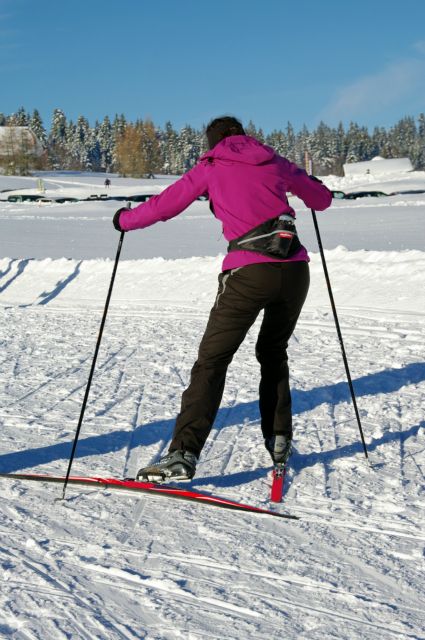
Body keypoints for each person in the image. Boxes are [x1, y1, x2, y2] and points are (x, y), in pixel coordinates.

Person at [112, 116, 332, 483]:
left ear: (212, 142)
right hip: (295, 271)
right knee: (273, 353)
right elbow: (321, 200)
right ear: (244, 135)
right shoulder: (274, 160)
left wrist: (124, 220)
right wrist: (311, 186)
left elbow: (165, 205)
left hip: (249, 273)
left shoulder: (211, 165)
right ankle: (279, 440)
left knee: (212, 361)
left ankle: (183, 453)